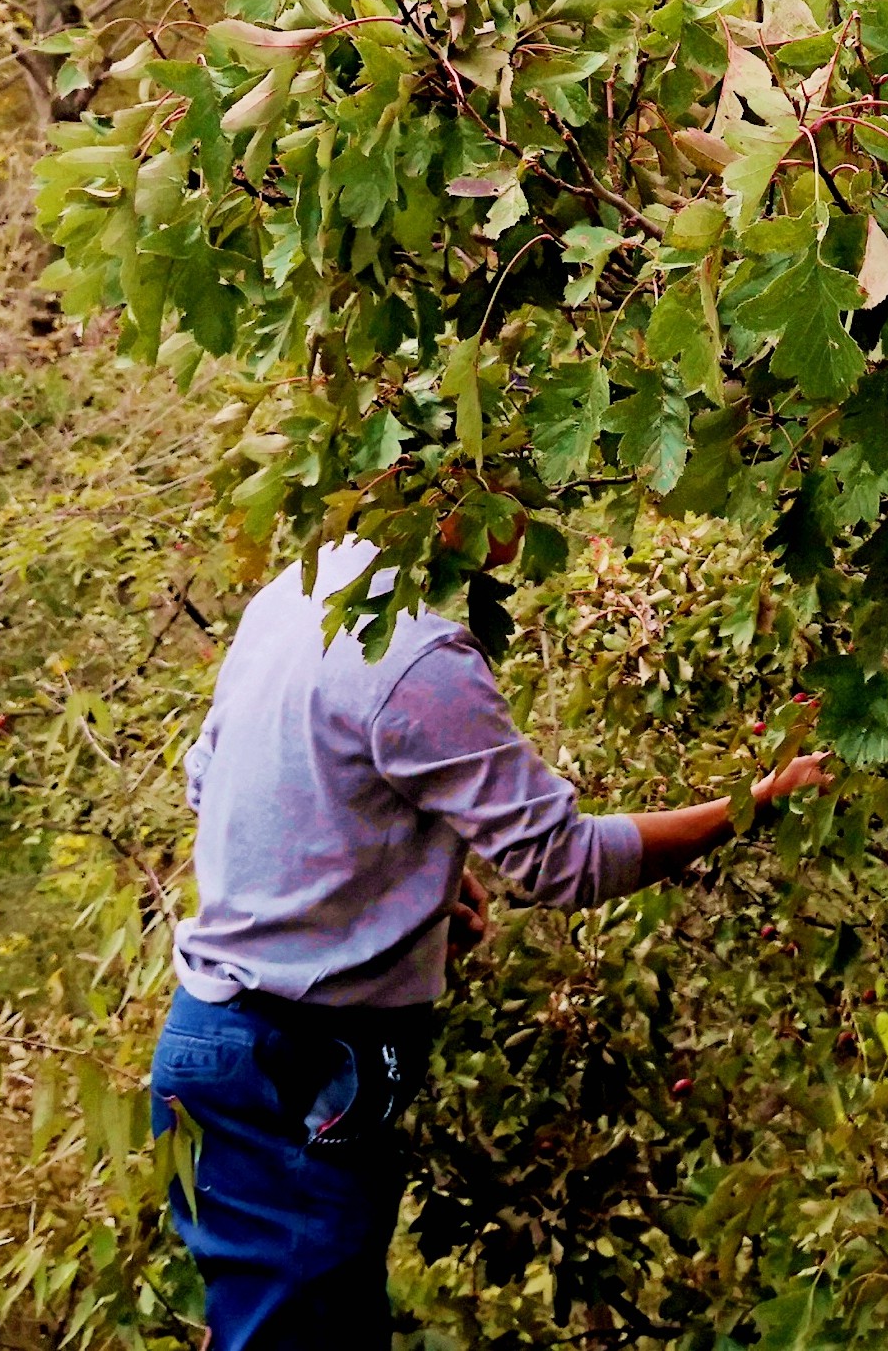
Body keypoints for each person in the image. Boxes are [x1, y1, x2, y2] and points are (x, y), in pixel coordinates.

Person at [147, 536, 827, 1349]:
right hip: (296, 1066)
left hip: (213, 1044)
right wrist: (753, 805)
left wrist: (401, 883)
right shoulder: (414, 654)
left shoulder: (298, 589)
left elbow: (211, 779)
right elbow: (563, 862)